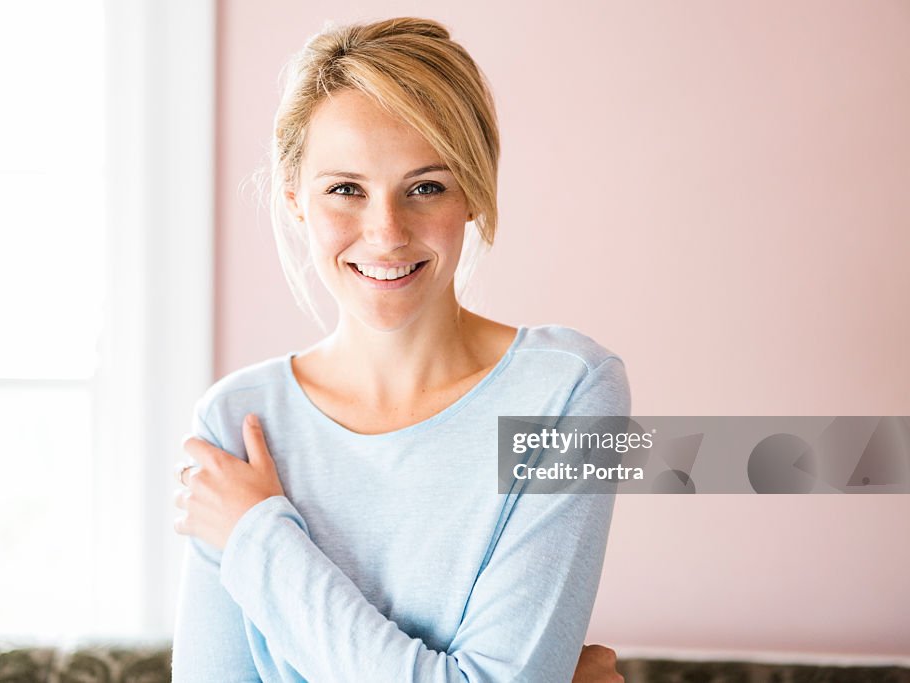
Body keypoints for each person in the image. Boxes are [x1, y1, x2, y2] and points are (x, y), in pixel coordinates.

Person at [170, 17, 629, 682]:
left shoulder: (573, 393)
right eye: (345, 189)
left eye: (425, 186)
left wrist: (257, 537)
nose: (385, 233)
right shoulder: (236, 421)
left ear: (472, 189)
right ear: (296, 196)